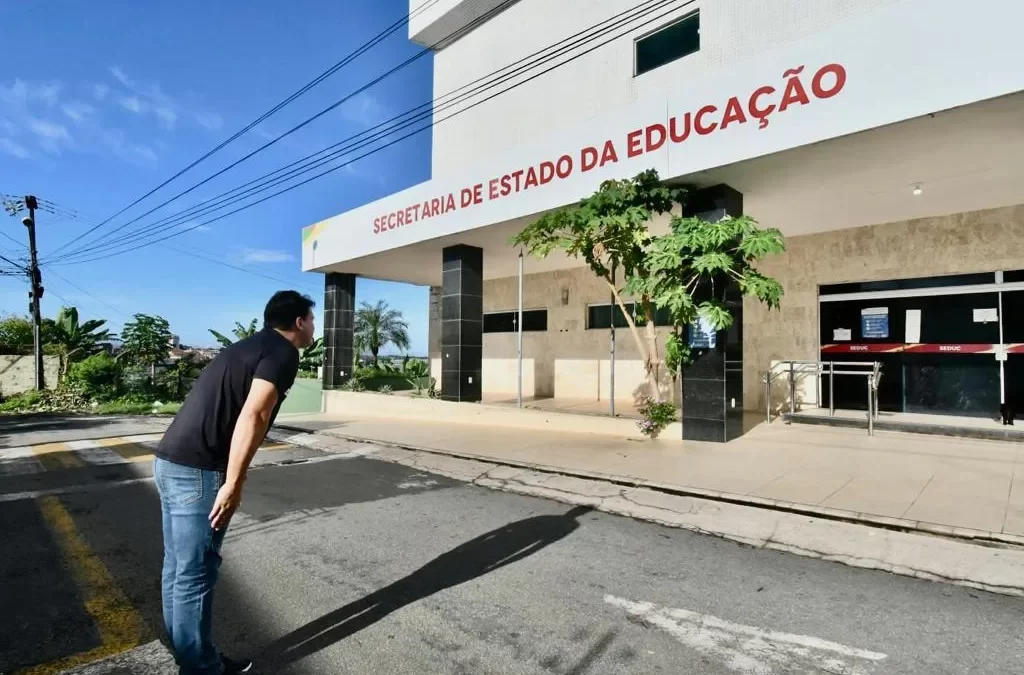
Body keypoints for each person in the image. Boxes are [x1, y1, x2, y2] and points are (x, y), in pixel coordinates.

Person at [153, 290, 316, 674]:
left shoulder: (246, 346)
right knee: (196, 572)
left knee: (178, 568)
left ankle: (190, 654)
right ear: (298, 322)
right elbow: (254, 415)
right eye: (312, 320)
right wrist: (234, 482)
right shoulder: (282, 353)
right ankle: (202, 668)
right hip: (201, 470)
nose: (313, 327)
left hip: (169, 460)